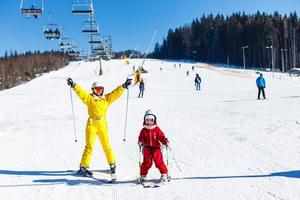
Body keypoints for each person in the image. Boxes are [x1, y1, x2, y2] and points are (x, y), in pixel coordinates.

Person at [67, 77, 132, 177]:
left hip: (102, 124)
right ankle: (83, 166)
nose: (99, 91)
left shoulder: (106, 99)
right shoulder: (89, 98)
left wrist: (124, 86)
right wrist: (74, 85)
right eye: (97, 89)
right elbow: (82, 93)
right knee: (89, 146)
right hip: (92, 124)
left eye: (101, 89)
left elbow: (115, 94)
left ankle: (112, 163)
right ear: (93, 90)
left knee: (106, 144)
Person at [138, 110, 169, 183]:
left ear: (154, 120)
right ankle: (143, 175)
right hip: (146, 148)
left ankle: (164, 174)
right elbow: (141, 137)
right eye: (147, 120)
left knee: (159, 162)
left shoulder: (157, 129)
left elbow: (161, 137)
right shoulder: (143, 130)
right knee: (147, 162)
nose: (149, 122)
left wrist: (165, 141)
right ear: (144, 120)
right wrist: (140, 142)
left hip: (156, 148)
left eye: (151, 120)